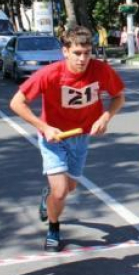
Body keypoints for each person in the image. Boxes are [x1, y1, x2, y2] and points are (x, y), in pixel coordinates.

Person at [10, 26, 125, 251]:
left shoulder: (101, 70)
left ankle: (48, 197)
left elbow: (119, 97)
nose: (83, 59)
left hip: (80, 138)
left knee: (69, 188)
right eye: (77, 53)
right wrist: (44, 127)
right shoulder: (50, 74)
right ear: (65, 51)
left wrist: (105, 117)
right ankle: (53, 228)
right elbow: (16, 103)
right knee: (61, 191)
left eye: (87, 52)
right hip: (54, 138)